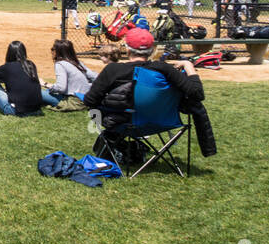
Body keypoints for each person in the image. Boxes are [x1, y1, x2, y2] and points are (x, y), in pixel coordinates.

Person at [84, 27, 215, 156]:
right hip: (163, 121)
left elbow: (90, 100)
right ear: (152, 50)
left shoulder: (113, 69)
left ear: (128, 49)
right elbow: (197, 94)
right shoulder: (165, 69)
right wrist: (188, 66)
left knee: (100, 109)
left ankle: (114, 145)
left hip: (124, 123)